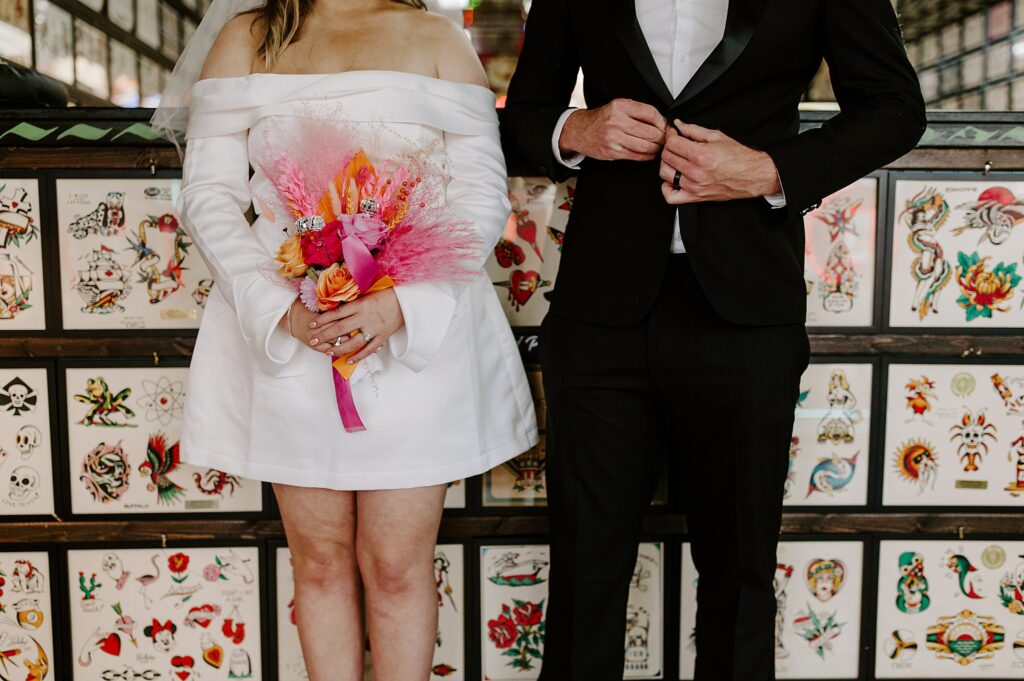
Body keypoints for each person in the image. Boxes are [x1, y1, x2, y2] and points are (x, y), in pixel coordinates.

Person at [501, 1, 925, 679]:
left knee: (739, 574)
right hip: (600, 311)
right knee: (584, 570)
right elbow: (522, 120)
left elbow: (895, 108)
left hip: (747, 308)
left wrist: (768, 170)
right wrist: (576, 127)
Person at [152, 1, 538, 679]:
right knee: (321, 561)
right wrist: (280, 308)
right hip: (296, 336)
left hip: (415, 340)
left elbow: (479, 196)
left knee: (395, 565)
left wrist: (403, 305)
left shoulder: (438, 37)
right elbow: (208, 194)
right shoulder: (248, 37)